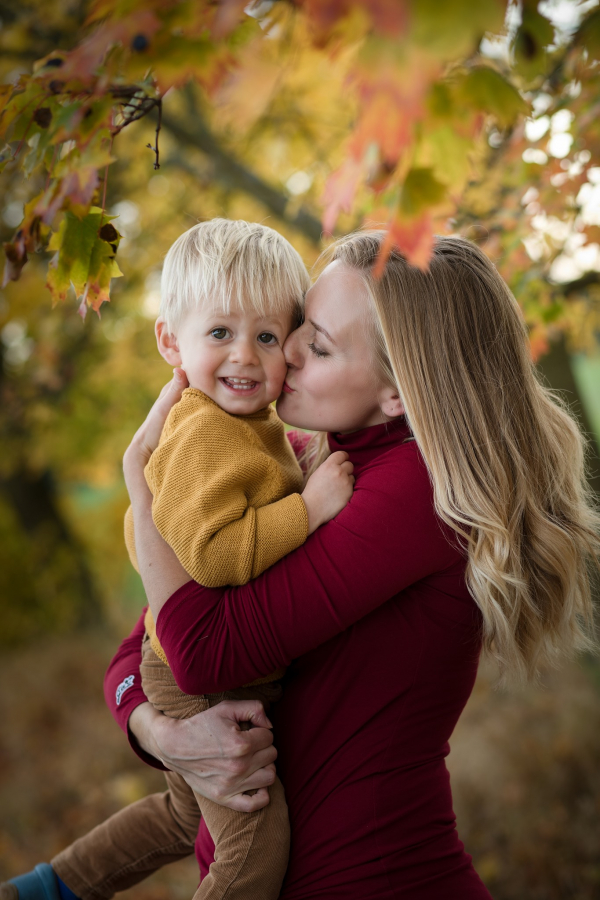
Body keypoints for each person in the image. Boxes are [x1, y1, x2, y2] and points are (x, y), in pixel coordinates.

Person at [6, 231, 600, 899]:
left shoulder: (411, 492)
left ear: (396, 393)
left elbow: (201, 651)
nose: (282, 352)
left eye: (314, 344)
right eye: (297, 328)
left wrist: (140, 493)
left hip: (375, 879)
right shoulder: (314, 462)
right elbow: (144, 643)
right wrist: (161, 732)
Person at [1, 220, 355, 900]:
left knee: (181, 814)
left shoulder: (247, 427)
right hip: (202, 683)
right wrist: (308, 511)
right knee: (254, 849)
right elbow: (218, 554)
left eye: (267, 336)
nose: (244, 357)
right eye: (219, 333)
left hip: (197, 663)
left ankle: (48, 889)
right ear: (171, 341)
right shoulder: (203, 434)